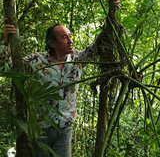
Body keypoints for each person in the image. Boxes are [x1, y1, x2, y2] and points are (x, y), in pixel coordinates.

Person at [1, 20, 101, 157]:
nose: (70, 41)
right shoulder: (37, 61)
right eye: (65, 37)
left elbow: (98, 46)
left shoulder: (77, 59)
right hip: (40, 128)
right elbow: (6, 69)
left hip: (65, 127)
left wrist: (111, 15)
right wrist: (6, 43)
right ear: (52, 43)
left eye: (70, 36)